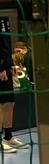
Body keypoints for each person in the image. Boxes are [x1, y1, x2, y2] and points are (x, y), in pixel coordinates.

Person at [0, 19, 29, 153]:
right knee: (1, 104)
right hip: (1, 69)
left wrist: (11, 64)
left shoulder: (4, 19)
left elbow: (6, 43)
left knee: (10, 103)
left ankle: (8, 137)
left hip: (7, 67)